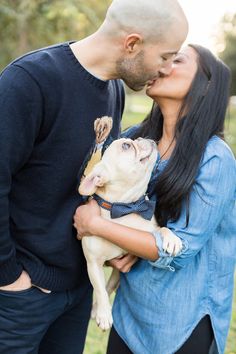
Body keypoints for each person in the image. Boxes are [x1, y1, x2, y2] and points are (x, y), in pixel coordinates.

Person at [0, 0, 188, 353]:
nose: (166, 70)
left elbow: (96, 187)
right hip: (21, 296)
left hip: (79, 290)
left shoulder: (113, 90)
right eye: (165, 56)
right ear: (132, 43)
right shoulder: (30, 81)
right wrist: (9, 278)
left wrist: (120, 240)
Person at [74, 44, 236, 354]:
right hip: (129, 313)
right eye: (164, 58)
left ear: (207, 84)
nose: (161, 65)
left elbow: (179, 249)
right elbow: (101, 187)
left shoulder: (215, 160)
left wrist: (95, 224)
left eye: (177, 60)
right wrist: (101, 222)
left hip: (182, 320)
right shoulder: (136, 139)